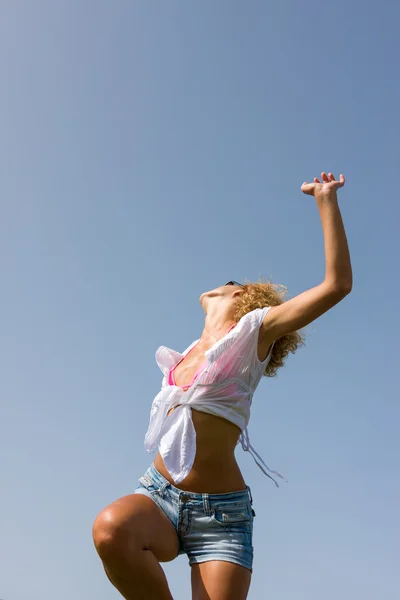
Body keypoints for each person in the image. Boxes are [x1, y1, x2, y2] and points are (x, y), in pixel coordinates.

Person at [92, 172, 352, 600]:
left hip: (222, 517)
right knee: (110, 530)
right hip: (158, 495)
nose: (222, 282)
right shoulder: (188, 351)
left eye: (233, 281)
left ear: (244, 296)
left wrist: (326, 200)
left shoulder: (253, 333)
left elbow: (337, 285)